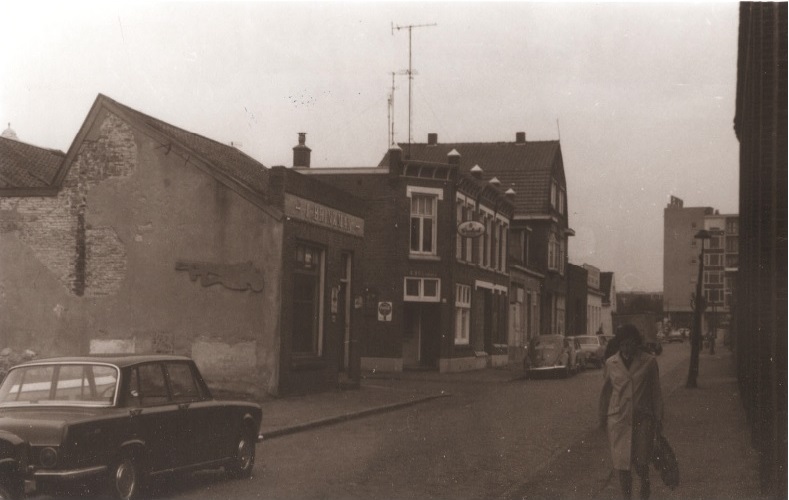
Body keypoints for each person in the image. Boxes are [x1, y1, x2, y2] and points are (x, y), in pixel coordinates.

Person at [599, 324, 664, 499]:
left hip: (643, 420)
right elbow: (605, 393)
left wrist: (659, 420)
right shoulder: (611, 363)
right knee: (622, 465)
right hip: (618, 421)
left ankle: (645, 482)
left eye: (630, 344)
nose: (627, 348)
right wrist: (602, 418)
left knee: (641, 462)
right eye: (623, 344)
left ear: (637, 343)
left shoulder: (649, 362)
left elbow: (656, 392)